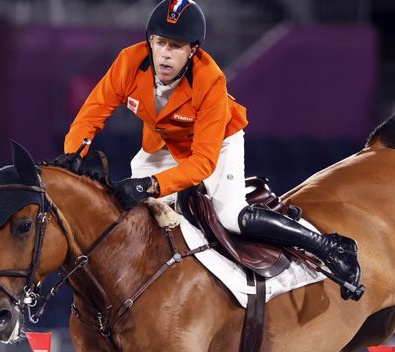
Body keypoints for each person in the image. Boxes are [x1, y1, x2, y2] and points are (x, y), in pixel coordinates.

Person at [60, 0, 362, 300]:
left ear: (192, 51)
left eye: (176, 46)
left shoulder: (210, 79)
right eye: (161, 43)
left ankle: (327, 246)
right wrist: (75, 152)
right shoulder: (129, 61)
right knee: (139, 216)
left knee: (230, 215)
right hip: (165, 142)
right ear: (150, 41)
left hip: (218, 143)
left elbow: (202, 163)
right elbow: (94, 111)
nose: (166, 54)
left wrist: (151, 184)